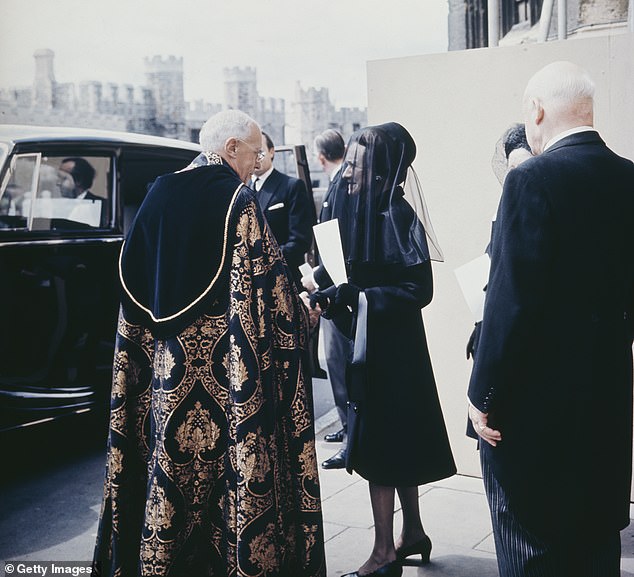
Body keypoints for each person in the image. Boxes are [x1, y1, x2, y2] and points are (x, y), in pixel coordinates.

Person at [92, 110, 326, 577]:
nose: (259, 162)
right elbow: (272, 290)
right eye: (255, 151)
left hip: (164, 378)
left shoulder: (157, 192)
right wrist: (304, 312)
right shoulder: (238, 201)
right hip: (227, 386)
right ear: (231, 147)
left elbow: (132, 286)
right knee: (225, 483)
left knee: (168, 469)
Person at [467, 61, 634, 577]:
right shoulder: (628, 176)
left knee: (530, 551)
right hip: (607, 405)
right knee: (595, 550)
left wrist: (482, 399)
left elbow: (509, 304)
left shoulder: (530, 179)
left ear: (536, 110)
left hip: (535, 419)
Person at [311, 122, 456, 577]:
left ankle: (383, 553)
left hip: (395, 349)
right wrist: (326, 287)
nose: (347, 168)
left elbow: (419, 290)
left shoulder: (398, 215)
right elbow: (344, 269)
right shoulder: (357, 206)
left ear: (379, 171)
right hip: (371, 341)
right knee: (397, 443)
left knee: (380, 446)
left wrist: (360, 296)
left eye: (357, 162)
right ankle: (411, 532)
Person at [302, 128, 350, 469]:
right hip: (334, 285)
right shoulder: (344, 182)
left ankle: (351, 433)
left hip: (338, 290)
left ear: (320, 158)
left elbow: (338, 247)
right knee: (335, 363)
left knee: (339, 361)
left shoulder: (341, 187)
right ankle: (348, 426)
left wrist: (315, 278)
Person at [466, 122, 532, 362]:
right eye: (511, 168)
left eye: (522, 168)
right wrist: (481, 324)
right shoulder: (503, 208)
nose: (514, 177)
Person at [250, 131, 314, 289]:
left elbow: (300, 241)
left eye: (260, 152)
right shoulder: (244, 189)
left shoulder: (291, 186)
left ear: (272, 152)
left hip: (284, 278)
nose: (256, 158)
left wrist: (263, 259)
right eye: (252, 153)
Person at [58, 157, 107, 225]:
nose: (58, 183)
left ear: (78, 180)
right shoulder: (57, 206)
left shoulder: (102, 206)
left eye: (63, 178)